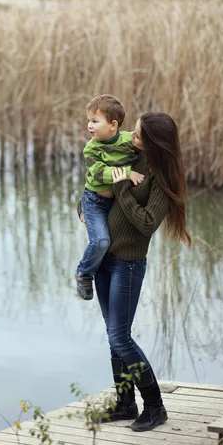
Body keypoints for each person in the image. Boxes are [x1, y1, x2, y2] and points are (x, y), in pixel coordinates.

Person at [78, 111, 191, 431]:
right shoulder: (131, 154)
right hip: (103, 261)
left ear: (155, 143)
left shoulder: (162, 177)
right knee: (114, 338)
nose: (132, 138)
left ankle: (155, 407)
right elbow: (94, 186)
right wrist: (82, 210)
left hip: (127, 264)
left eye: (139, 135)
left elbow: (145, 223)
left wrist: (123, 188)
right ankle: (125, 404)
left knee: (120, 336)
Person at [75, 95, 145, 302]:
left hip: (116, 202)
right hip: (95, 202)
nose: (89, 126)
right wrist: (126, 173)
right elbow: (98, 173)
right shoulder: (92, 148)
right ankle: (83, 272)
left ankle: (108, 278)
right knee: (101, 241)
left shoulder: (127, 141)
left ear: (113, 125)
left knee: (115, 244)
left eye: (95, 121)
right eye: (88, 121)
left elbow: (142, 149)